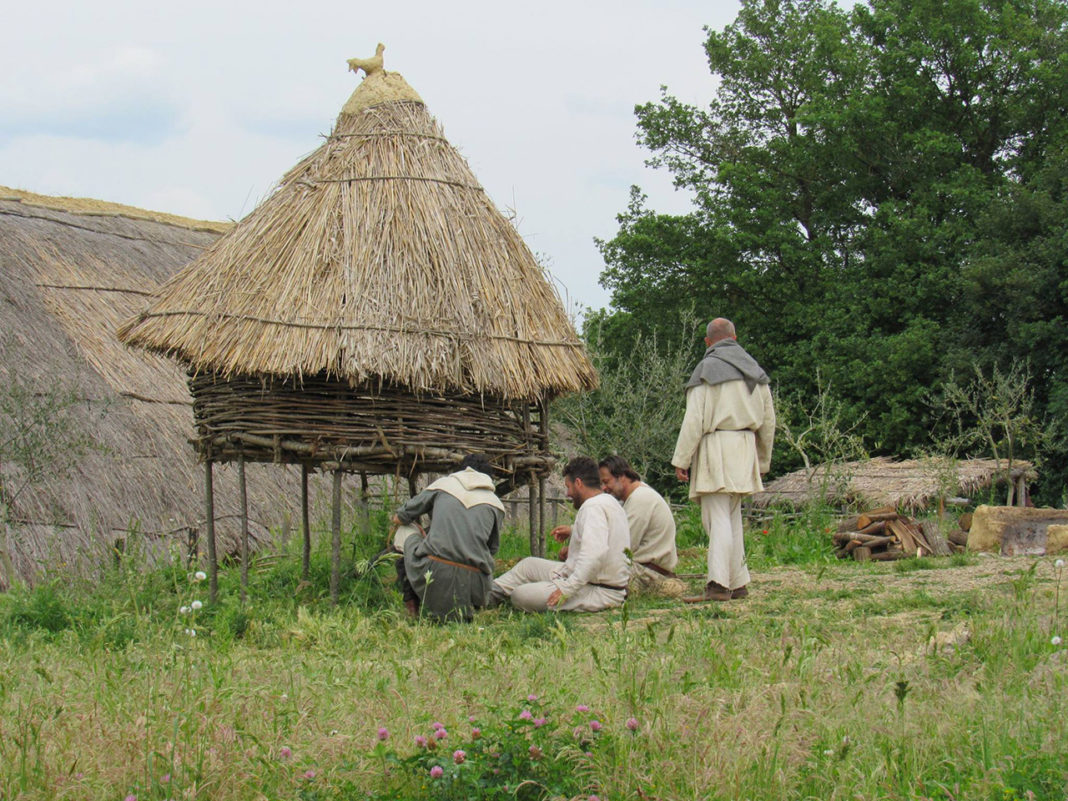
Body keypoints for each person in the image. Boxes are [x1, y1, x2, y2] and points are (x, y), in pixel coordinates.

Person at [671, 318, 775, 602]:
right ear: (735, 337)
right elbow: (768, 422)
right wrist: (762, 461)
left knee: (717, 519)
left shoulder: (707, 370)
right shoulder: (755, 372)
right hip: (744, 447)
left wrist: (683, 459)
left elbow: (694, 420)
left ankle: (718, 584)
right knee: (731, 518)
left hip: (716, 447)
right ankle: (738, 582)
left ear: (707, 342)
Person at [489, 456, 630, 613]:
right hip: (587, 579)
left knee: (521, 595)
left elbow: (594, 555)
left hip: (599, 590)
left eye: (568, 487)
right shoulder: (608, 502)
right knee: (529, 565)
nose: (568, 493)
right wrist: (573, 530)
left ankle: (489, 596)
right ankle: (490, 593)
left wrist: (567, 589)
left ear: (578, 483)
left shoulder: (593, 507)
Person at [391, 453, 504, 622]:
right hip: (476, 585)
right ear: (488, 478)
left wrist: (424, 534)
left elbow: (400, 517)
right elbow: (492, 549)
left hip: (433, 574)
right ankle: (470, 608)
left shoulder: (444, 485)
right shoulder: (496, 504)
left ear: (462, 469)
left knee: (403, 530)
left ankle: (412, 604)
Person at [597, 455, 683, 596]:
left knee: (589, 572)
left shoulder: (640, 499)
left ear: (622, 477)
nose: (604, 487)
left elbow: (622, 547)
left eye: (606, 481)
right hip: (645, 570)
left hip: (647, 575)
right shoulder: (637, 496)